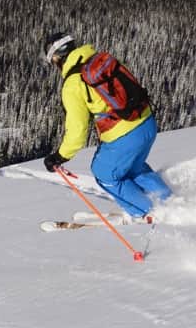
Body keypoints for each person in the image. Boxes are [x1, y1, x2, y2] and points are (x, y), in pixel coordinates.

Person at [42, 32, 172, 220]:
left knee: (104, 173)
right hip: (147, 122)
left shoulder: (72, 84)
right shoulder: (101, 60)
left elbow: (78, 130)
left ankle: (152, 214)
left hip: (125, 134)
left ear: (56, 58)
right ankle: (172, 202)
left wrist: (60, 156)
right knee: (133, 168)